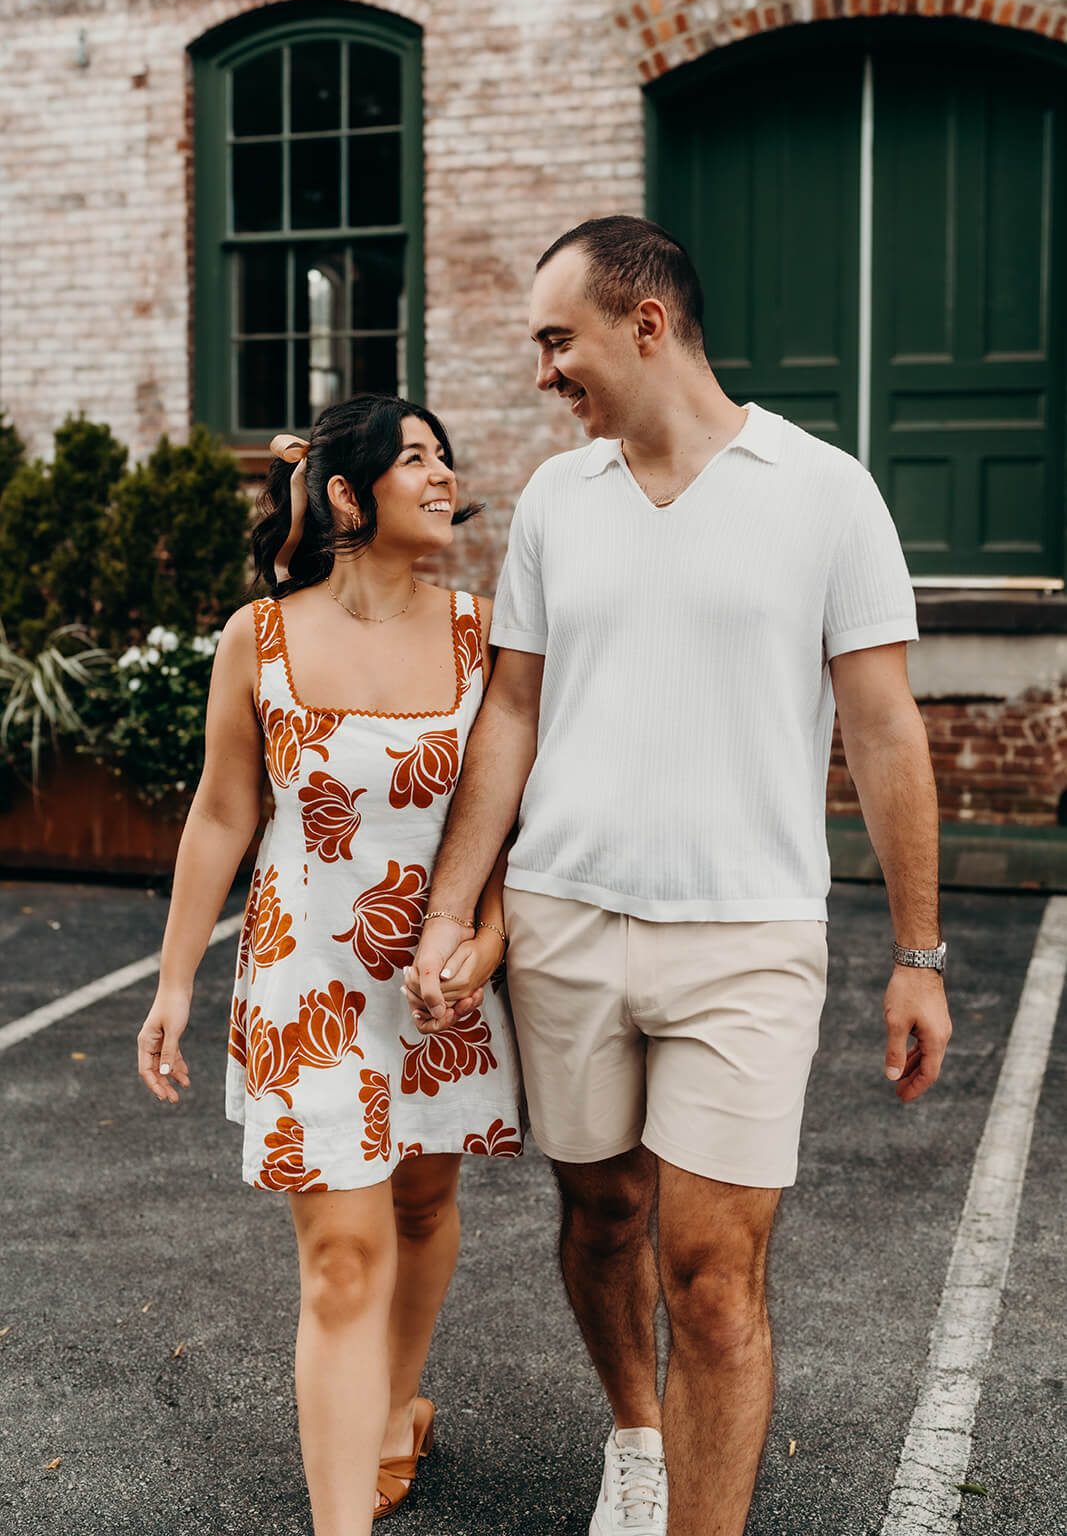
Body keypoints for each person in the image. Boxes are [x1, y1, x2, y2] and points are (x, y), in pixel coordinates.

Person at [406, 216, 952, 1536]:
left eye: (557, 341)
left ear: (644, 324)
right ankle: (637, 1437)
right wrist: (448, 909)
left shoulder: (823, 491)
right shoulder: (557, 501)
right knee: (601, 1215)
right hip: (564, 923)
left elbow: (884, 729)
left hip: (746, 938)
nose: (542, 373)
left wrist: (917, 956)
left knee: (709, 1272)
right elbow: (511, 713)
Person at [136, 394, 524, 1536]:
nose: (443, 475)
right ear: (347, 495)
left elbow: (512, 815)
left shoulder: (484, 633)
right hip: (305, 982)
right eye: (415, 459)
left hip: (440, 982)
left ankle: (395, 1406)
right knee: (345, 1256)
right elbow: (222, 812)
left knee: (423, 1198)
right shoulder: (256, 637)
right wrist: (173, 983)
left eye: (445, 457)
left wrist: (487, 944)